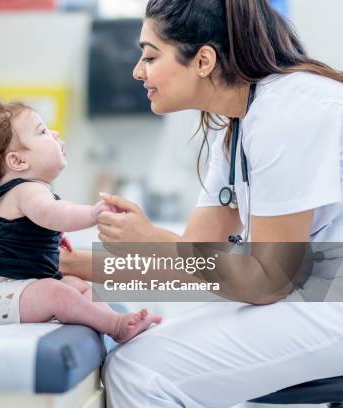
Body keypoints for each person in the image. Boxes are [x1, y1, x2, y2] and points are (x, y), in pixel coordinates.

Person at [59, 0, 343, 406]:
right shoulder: (239, 127)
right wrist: (62, 262)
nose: (138, 70)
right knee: (148, 349)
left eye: (151, 56)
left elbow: (267, 279)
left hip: (330, 300)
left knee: (138, 371)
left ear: (204, 60)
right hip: (320, 293)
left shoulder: (289, 111)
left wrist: (154, 238)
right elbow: (192, 268)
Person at [0, 102, 162, 343]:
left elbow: (42, 223)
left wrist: (54, 236)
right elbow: (54, 212)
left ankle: (110, 320)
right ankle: (114, 324)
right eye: (42, 132)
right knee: (56, 292)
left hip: (18, 285)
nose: (54, 133)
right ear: (18, 161)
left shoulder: (30, 191)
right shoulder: (25, 191)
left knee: (78, 286)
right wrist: (93, 214)